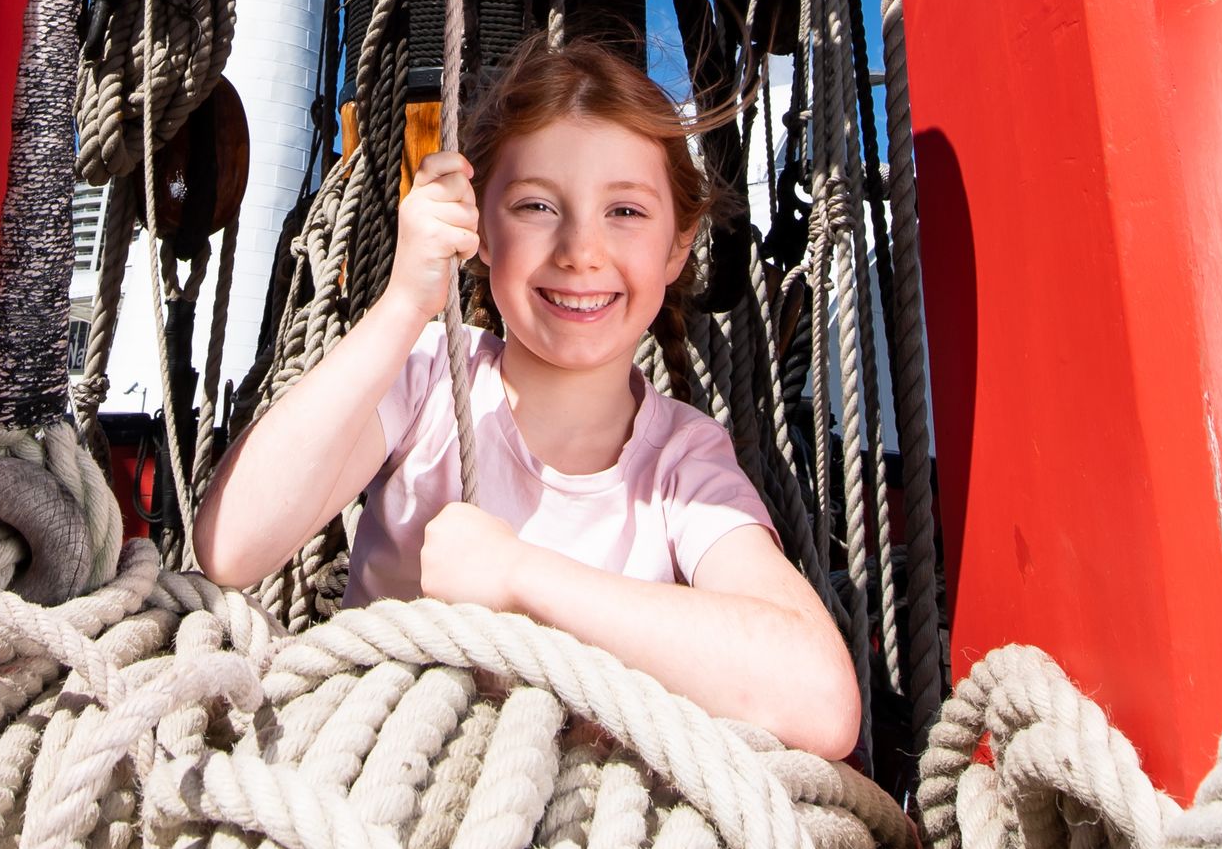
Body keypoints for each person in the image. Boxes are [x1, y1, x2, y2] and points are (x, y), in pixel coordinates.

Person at [192, 38, 861, 757]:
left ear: (678, 245)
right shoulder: (426, 383)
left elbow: (819, 703)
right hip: (381, 770)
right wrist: (402, 305)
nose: (580, 250)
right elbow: (232, 545)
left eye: (626, 212)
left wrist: (519, 577)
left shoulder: (682, 461)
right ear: (479, 228)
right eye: (538, 205)